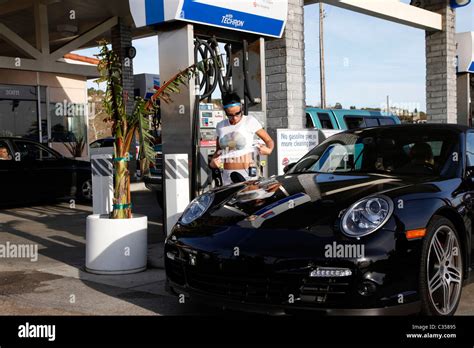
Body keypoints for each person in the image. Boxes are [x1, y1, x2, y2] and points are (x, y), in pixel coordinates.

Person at [210, 92, 274, 186]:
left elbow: (269, 140)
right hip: (226, 174)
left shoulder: (249, 121)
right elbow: (218, 150)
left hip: (247, 173)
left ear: (241, 108)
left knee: (249, 199)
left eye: (237, 113)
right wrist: (213, 162)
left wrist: (269, 150)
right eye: (230, 115)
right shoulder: (220, 126)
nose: (235, 118)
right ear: (225, 111)